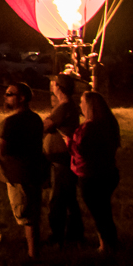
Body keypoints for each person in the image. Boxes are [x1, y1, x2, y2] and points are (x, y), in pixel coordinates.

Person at [0, 81, 48, 262]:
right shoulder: (35, 119)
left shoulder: (10, 122)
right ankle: (34, 251)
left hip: (18, 174)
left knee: (26, 216)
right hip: (34, 171)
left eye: (10, 94)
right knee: (32, 212)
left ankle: (33, 256)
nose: (5, 96)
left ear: (22, 98)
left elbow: (2, 149)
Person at [72, 90, 120, 254]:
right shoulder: (109, 123)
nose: (80, 105)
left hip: (91, 176)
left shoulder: (88, 128)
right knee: (104, 209)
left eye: (82, 102)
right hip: (109, 172)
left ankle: (105, 245)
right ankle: (110, 241)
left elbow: (80, 151)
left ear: (89, 106)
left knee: (98, 212)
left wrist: (69, 141)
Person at [44, 74, 84, 246]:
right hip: (63, 159)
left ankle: (58, 234)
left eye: (53, 83)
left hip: (62, 160)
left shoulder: (64, 107)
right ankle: (74, 233)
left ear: (58, 87)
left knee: (59, 198)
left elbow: (45, 125)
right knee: (68, 197)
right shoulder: (66, 106)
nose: (51, 85)